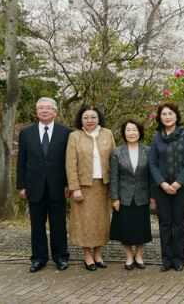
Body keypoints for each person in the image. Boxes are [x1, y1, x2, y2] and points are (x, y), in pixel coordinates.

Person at [16, 97, 72, 273]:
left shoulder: (66, 132)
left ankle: (60, 257)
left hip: (58, 185)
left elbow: (69, 161)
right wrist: (21, 185)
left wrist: (69, 183)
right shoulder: (26, 133)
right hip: (34, 186)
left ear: (55, 112)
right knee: (37, 225)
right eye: (41, 108)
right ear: (36, 112)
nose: (45, 110)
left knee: (59, 224)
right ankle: (39, 258)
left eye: (48, 108)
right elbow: (21, 161)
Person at [66, 104, 115, 271]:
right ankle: (87, 254)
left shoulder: (107, 134)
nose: (89, 120)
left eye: (93, 117)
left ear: (98, 118)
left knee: (101, 222)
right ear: (81, 119)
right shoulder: (75, 136)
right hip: (83, 186)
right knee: (84, 222)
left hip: (103, 185)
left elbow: (113, 161)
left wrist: (112, 186)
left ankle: (98, 254)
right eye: (86, 117)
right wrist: (75, 188)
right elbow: (70, 164)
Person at [149, 102, 184, 272]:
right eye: (164, 114)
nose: (167, 117)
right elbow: (152, 163)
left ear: (176, 116)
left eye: (170, 113)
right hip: (161, 188)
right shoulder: (156, 138)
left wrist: (177, 183)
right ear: (160, 118)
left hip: (182, 187)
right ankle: (167, 260)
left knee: (179, 223)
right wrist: (162, 183)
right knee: (165, 223)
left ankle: (179, 259)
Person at [110, 119, 155, 270]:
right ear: (124, 132)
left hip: (142, 196)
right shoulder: (117, 152)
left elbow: (151, 176)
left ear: (140, 132)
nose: (131, 133)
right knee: (126, 228)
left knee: (141, 228)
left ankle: (139, 256)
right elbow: (114, 177)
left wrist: (152, 196)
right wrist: (115, 198)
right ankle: (129, 256)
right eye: (128, 130)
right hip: (124, 197)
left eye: (134, 129)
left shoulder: (148, 151)